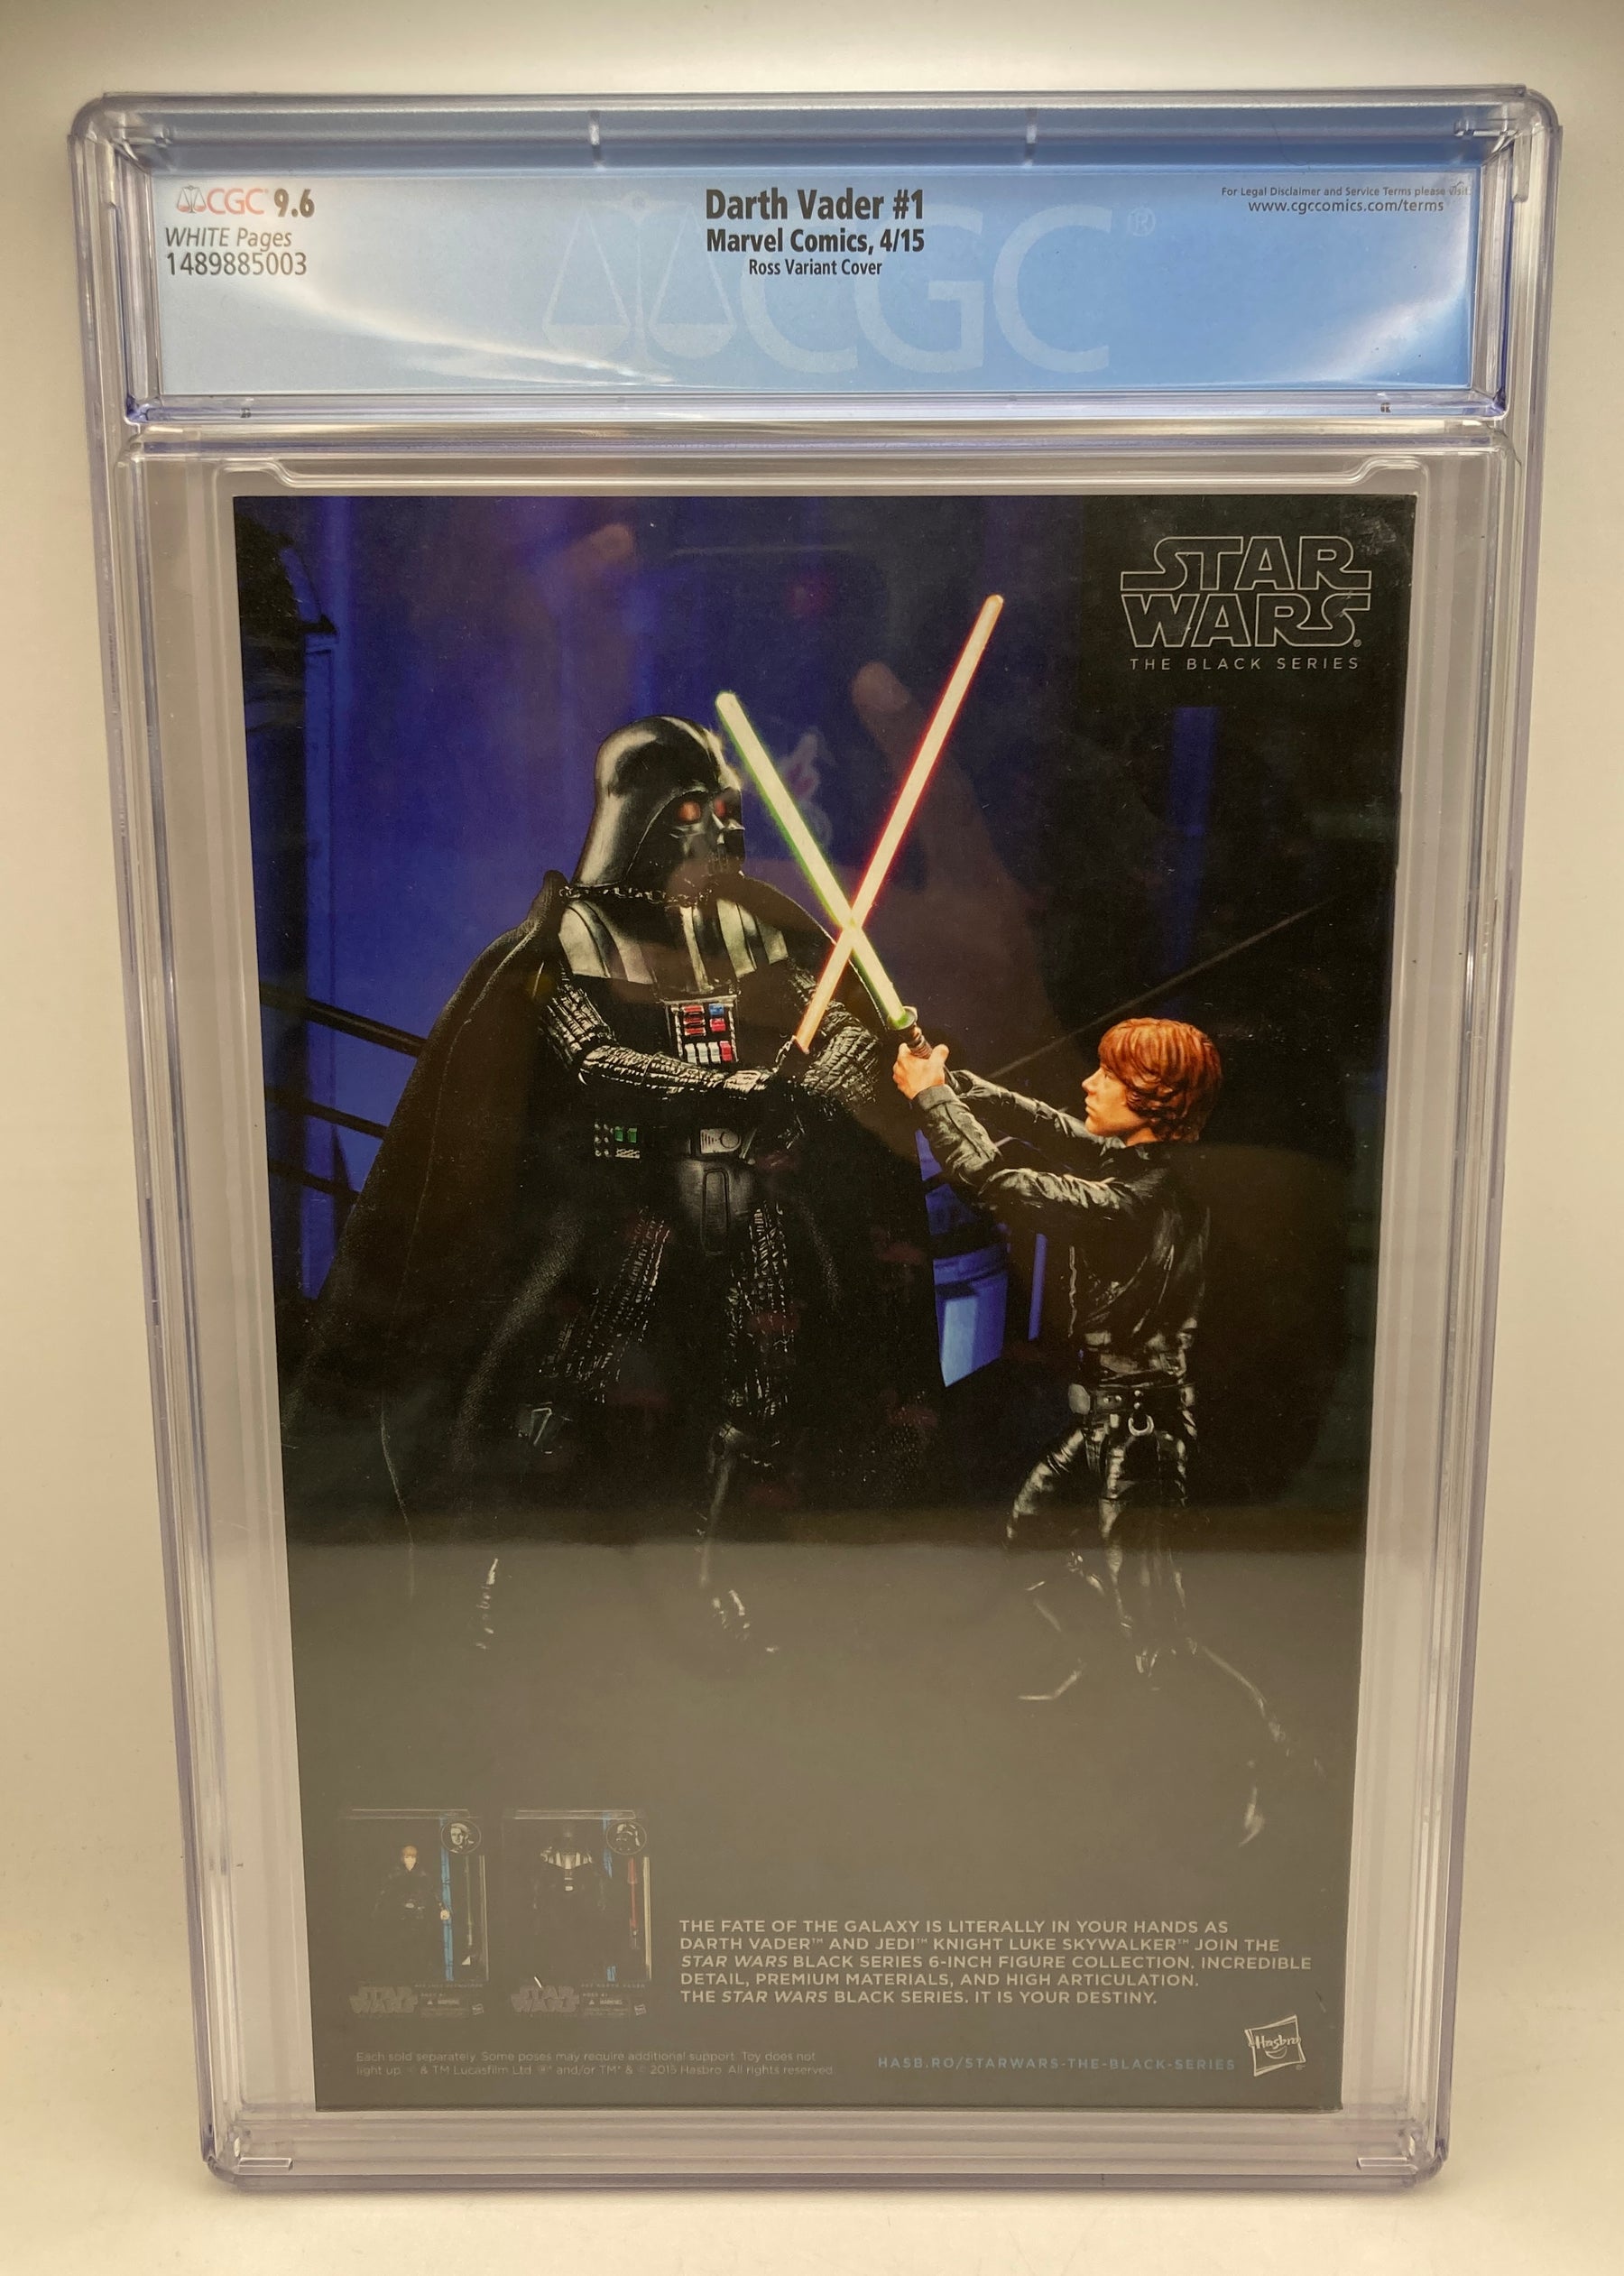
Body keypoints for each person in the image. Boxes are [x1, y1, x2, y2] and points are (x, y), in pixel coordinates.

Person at [284, 717, 941, 1643]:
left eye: (727, 811)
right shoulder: (573, 936)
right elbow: (590, 1056)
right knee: (562, 1372)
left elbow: (835, 1028)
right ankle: (500, 1562)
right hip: (627, 1202)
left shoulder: (759, 928)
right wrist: (732, 1086)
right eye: (693, 813)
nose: (717, 833)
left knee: (762, 1381)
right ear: (643, 818)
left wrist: (814, 1075)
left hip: (752, 1194)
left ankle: (714, 1571)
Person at [894, 1017, 1287, 1836]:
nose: (1088, 1083)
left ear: (1150, 1098)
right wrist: (955, 1082)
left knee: (1159, 1636)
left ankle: (1253, 1756)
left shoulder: (1144, 1197)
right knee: (1036, 1537)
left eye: (1108, 1076)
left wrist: (933, 1102)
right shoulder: (1147, 1165)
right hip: (1113, 1414)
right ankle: (1105, 1674)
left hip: (1141, 1429)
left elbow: (1005, 1183)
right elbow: (1055, 1128)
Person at [372, 1841, 450, 1984]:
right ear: (402, 1858)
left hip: (419, 1916)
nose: (410, 1860)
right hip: (399, 1917)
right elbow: (384, 1894)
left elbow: (434, 1892)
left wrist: (442, 1908)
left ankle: (418, 1977)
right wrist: (379, 1911)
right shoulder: (394, 1875)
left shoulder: (423, 1875)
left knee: (420, 1948)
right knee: (400, 1948)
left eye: (413, 1857)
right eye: (407, 1857)